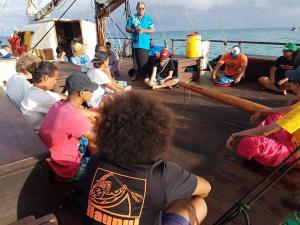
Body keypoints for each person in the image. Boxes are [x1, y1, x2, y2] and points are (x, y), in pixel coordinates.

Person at [83, 92, 211, 225]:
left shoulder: (96, 160)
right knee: (199, 203)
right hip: (162, 189)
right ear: (156, 137)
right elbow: (206, 189)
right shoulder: (163, 173)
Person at [226, 72, 300, 168]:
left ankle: (263, 144)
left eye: (291, 81)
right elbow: (288, 110)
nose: (289, 83)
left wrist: (236, 134)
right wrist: (265, 111)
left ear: (297, 85)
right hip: (294, 141)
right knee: (275, 116)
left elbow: (265, 131)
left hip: (295, 154)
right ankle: (261, 137)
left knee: (250, 141)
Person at [39, 74, 99, 181]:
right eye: (91, 90)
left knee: (88, 131)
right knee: (97, 145)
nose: (92, 93)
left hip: (52, 161)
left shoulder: (58, 104)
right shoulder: (72, 116)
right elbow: (99, 139)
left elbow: (78, 112)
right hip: (66, 171)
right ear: (82, 93)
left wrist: (94, 115)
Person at [20, 61, 61, 132]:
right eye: (55, 79)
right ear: (46, 78)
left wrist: (66, 97)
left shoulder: (31, 90)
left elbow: (55, 96)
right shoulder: (45, 99)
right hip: (37, 137)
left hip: (28, 130)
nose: (55, 82)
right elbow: (68, 111)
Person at [126, 1, 155, 80]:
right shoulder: (132, 17)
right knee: (135, 60)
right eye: (139, 8)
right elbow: (127, 28)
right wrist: (134, 31)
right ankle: (136, 75)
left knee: (145, 60)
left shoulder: (149, 19)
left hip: (145, 43)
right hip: (135, 42)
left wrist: (144, 31)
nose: (141, 10)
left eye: (143, 8)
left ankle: (146, 75)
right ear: (136, 9)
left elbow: (152, 30)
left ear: (145, 9)